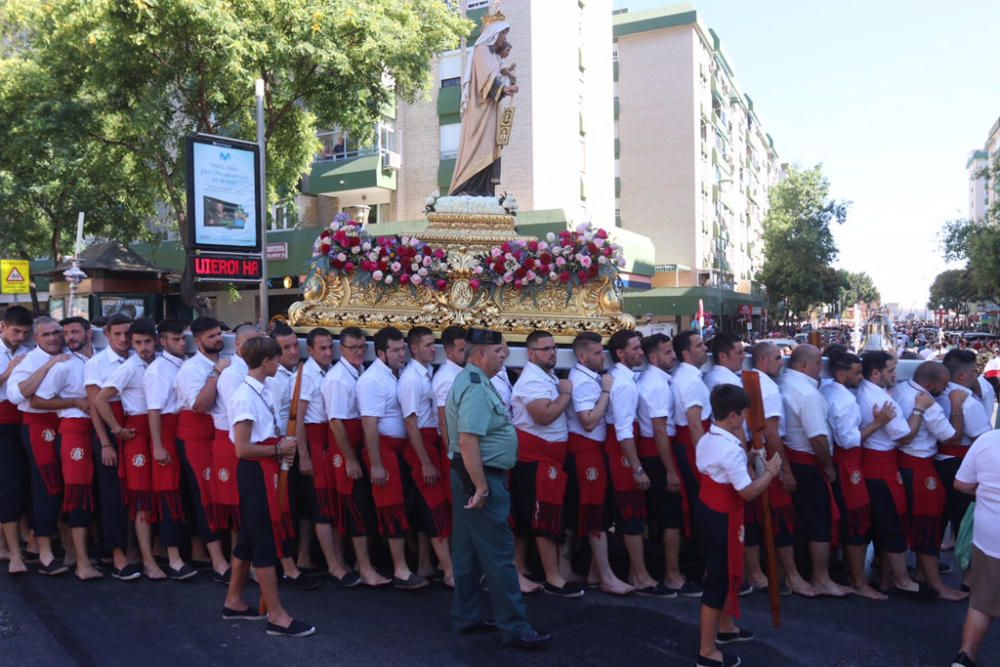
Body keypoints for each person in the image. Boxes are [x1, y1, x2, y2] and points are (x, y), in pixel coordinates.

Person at [447, 327, 551, 649]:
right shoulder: (476, 386)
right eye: (498, 352)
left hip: (470, 477)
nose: (503, 356)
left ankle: (467, 616)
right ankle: (515, 626)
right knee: (500, 554)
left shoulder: (473, 380)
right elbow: (468, 440)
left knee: (467, 553)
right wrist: (481, 487)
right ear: (480, 354)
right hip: (481, 478)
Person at [221, 335, 315, 638]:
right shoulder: (244, 396)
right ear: (265, 362)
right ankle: (277, 615)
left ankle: (233, 600)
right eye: (276, 358)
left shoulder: (263, 390)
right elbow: (243, 449)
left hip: (266, 469)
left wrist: (281, 444)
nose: (281, 362)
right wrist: (277, 451)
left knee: (249, 536)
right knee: (263, 541)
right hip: (255, 473)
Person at [696, 384, 782, 667]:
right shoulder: (727, 447)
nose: (745, 420)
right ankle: (706, 650)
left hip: (710, 510)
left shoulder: (709, 438)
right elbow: (747, 491)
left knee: (726, 570)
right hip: (722, 516)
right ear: (733, 416)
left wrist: (751, 458)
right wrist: (770, 472)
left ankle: (725, 626)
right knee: (718, 578)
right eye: (743, 415)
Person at [95, 319, 165, 580]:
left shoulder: (159, 362)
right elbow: (100, 399)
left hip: (158, 429)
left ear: (155, 340)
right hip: (136, 430)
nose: (143, 347)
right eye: (138, 343)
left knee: (158, 494)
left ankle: (153, 552)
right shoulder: (129, 368)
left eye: (147, 342)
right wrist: (116, 429)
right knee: (141, 499)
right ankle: (147, 561)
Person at [857, 350, 932, 597]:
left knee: (883, 522)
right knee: (892, 521)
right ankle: (901, 580)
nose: (895, 375)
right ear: (876, 373)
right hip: (881, 466)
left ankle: (889, 578)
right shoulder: (881, 399)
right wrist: (919, 410)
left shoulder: (867, 392)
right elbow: (905, 435)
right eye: (891, 371)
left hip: (874, 463)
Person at [510, 330, 579, 597]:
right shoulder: (531, 381)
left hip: (550, 456)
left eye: (554, 347)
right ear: (531, 353)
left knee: (540, 514)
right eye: (545, 349)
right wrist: (565, 395)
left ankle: (534, 568)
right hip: (536, 458)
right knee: (543, 517)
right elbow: (543, 416)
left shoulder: (546, 376)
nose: (552, 353)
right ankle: (553, 577)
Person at [779, 345, 852, 597]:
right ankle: (821, 577)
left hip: (795, 459)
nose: (821, 367)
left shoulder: (787, 382)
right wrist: (829, 467)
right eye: (818, 362)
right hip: (808, 462)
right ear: (804, 366)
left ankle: (810, 573)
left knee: (805, 520)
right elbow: (818, 438)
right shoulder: (807, 394)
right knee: (820, 521)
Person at [357, 326, 426, 590]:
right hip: (382, 450)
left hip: (398, 450)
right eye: (396, 350)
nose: (401, 354)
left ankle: (402, 561)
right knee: (392, 506)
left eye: (403, 349)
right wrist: (376, 463)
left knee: (402, 504)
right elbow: (369, 424)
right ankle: (400, 569)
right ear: (382, 352)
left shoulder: (397, 375)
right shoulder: (372, 380)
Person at [892, 361, 967, 601]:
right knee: (928, 525)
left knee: (915, 522)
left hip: (901, 465)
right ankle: (936, 585)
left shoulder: (902, 389)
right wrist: (956, 406)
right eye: (943, 385)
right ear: (928, 384)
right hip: (920, 467)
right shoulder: (928, 403)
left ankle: (923, 574)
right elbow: (952, 437)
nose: (946, 389)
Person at [31, 316, 98, 580]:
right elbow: (37, 400)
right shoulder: (64, 365)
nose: (67, 337)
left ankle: (77, 554)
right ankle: (81, 563)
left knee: (94, 492)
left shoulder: (99, 359)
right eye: (65, 332)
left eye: (72, 332)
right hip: (74, 431)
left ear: (88, 333)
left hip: (98, 430)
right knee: (77, 494)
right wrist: (73, 402)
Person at [821, 348, 891, 600]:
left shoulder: (829, 391)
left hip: (841, 462)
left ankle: (848, 572)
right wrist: (878, 423)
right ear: (841, 375)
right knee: (855, 521)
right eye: (857, 373)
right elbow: (849, 440)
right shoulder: (846, 400)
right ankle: (859, 581)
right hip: (848, 464)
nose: (861, 377)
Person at [565, 332, 631, 596]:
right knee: (594, 514)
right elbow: (589, 421)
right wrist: (606, 391)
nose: (602, 356)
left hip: (594, 449)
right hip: (585, 451)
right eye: (596, 353)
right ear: (582, 356)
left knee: (600, 512)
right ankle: (605, 576)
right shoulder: (582, 382)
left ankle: (596, 572)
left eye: (601, 351)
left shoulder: (589, 377)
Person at [324, 327, 388, 588]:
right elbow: (336, 422)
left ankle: (355, 560)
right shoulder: (338, 378)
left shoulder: (360, 371)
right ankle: (363, 567)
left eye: (363, 347)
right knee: (355, 506)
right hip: (345, 446)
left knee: (360, 504)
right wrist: (350, 459)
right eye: (354, 348)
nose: (360, 352)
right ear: (342, 349)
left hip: (358, 442)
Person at [7, 316, 70, 575]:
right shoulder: (30, 361)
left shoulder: (71, 354)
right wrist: (47, 367)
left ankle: (64, 544)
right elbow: (16, 395)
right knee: (45, 484)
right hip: (37, 426)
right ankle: (44, 550)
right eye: (46, 335)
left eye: (56, 332)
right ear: (37, 338)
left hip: (64, 423)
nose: (53, 338)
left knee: (66, 484)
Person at [637, 333, 699, 596]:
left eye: (672, 351)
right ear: (653, 357)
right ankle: (672, 574)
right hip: (658, 453)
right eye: (666, 353)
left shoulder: (655, 380)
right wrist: (671, 470)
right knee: (671, 517)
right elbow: (660, 430)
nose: (673, 356)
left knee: (662, 516)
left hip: (655, 451)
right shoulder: (658, 385)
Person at [605, 329, 666, 596]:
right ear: (620, 353)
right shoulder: (624, 383)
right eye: (635, 348)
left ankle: (636, 571)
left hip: (624, 450)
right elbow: (624, 430)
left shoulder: (626, 378)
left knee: (635, 513)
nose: (641, 352)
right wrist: (637, 467)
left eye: (641, 348)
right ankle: (640, 575)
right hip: (622, 454)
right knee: (631, 514)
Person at [295, 327, 355, 586]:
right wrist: (304, 455)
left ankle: (330, 558)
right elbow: (298, 418)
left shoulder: (329, 371)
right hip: (315, 439)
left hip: (326, 442)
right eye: (322, 348)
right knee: (321, 505)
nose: (328, 352)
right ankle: (333, 565)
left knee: (329, 502)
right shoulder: (308, 374)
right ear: (310, 350)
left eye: (331, 347)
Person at [175, 316, 231, 582]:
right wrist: (217, 374)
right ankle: (218, 561)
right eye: (211, 336)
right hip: (196, 435)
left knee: (222, 493)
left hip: (219, 434)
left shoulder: (227, 360)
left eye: (219, 334)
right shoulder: (191, 369)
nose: (217, 339)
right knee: (204, 495)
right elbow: (200, 404)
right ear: (198, 341)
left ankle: (222, 555)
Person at [398, 326, 453, 587]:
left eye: (434, 344)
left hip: (433, 442)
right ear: (414, 348)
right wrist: (425, 461)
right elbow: (411, 423)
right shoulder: (410, 379)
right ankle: (449, 570)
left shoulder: (430, 373)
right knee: (434, 506)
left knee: (430, 506)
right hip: (421, 445)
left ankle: (426, 563)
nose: (434, 349)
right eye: (429, 345)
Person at [938, 349, 993, 581]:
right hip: (961, 461)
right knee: (966, 519)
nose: (976, 376)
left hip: (938, 462)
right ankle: (969, 577)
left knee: (940, 516)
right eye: (973, 372)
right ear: (961, 376)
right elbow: (983, 436)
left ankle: (928, 568)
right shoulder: (966, 400)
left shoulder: (938, 392)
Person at [448, 18, 518, 196]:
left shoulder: (494, 55)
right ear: (494, 33)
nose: (505, 37)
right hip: (480, 110)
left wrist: (508, 86)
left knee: (491, 148)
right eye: (503, 33)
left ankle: (485, 192)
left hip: (491, 110)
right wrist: (503, 88)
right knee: (477, 147)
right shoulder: (481, 50)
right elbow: (485, 79)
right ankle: (466, 188)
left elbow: (498, 77)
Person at [952, 429, 1000, 667]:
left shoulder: (988, 440)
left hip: (990, 538)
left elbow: (961, 483)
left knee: (981, 602)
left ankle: (964, 659)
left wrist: (987, 493)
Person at [211, 324, 259, 533]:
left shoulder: (253, 368)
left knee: (248, 500)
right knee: (235, 501)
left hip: (248, 437)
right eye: (249, 342)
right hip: (233, 439)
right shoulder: (232, 373)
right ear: (238, 344)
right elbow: (237, 414)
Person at [0, 305, 31, 575]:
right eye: (16, 331)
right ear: (2, 327)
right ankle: (13, 553)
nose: (20, 337)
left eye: (24, 333)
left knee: (20, 481)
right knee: (8, 485)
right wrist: (9, 372)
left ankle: (13, 540)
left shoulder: (27, 351)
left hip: (22, 421)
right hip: (1, 423)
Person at [671, 331, 711, 534]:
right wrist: (705, 459)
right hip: (693, 448)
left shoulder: (689, 376)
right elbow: (695, 424)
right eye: (699, 345)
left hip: (691, 445)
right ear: (686, 353)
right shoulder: (690, 381)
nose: (705, 349)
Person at [432, 325, 467, 455]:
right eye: (461, 350)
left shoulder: (461, 372)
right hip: (457, 446)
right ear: (449, 351)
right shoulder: (446, 378)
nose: (467, 353)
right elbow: (444, 420)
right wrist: (451, 452)